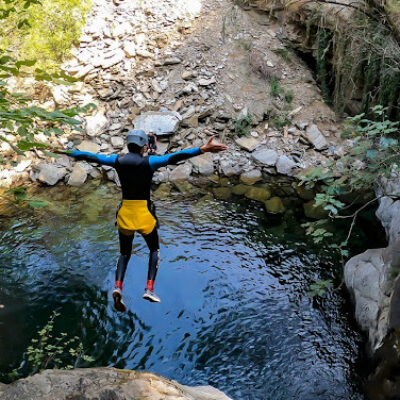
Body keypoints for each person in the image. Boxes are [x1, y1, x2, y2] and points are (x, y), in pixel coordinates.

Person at [63, 130, 227, 312]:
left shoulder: (117, 160)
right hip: (144, 215)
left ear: (128, 145)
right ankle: (149, 288)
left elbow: (90, 156)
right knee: (154, 250)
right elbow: (176, 157)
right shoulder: (150, 162)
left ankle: (117, 286)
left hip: (125, 215)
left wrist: (67, 151)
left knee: (124, 254)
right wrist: (203, 149)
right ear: (143, 146)